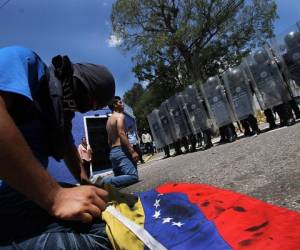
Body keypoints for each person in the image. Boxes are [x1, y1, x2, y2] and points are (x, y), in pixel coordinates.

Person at [0, 46, 115, 249]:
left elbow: (69, 149)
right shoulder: (23, 60)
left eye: (90, 108)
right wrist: (54, 196)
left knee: (109, 222)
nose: (84, 109)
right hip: (10, 199)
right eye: (88, 101)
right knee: (100, 243)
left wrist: (85, 183)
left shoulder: (58, 117)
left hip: (21, 196)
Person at [102, 96, 139, 187]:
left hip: (113, 153)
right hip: (121, 151)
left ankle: (107, 185)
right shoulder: (119, 116)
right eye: (120, 102)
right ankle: (103, 183)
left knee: (121, 182)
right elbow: (121, 133)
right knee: (133, 177)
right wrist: (132, 151)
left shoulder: (108, 121)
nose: (122, 104)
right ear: (115, 105)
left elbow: (109, 140)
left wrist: (113, 152)